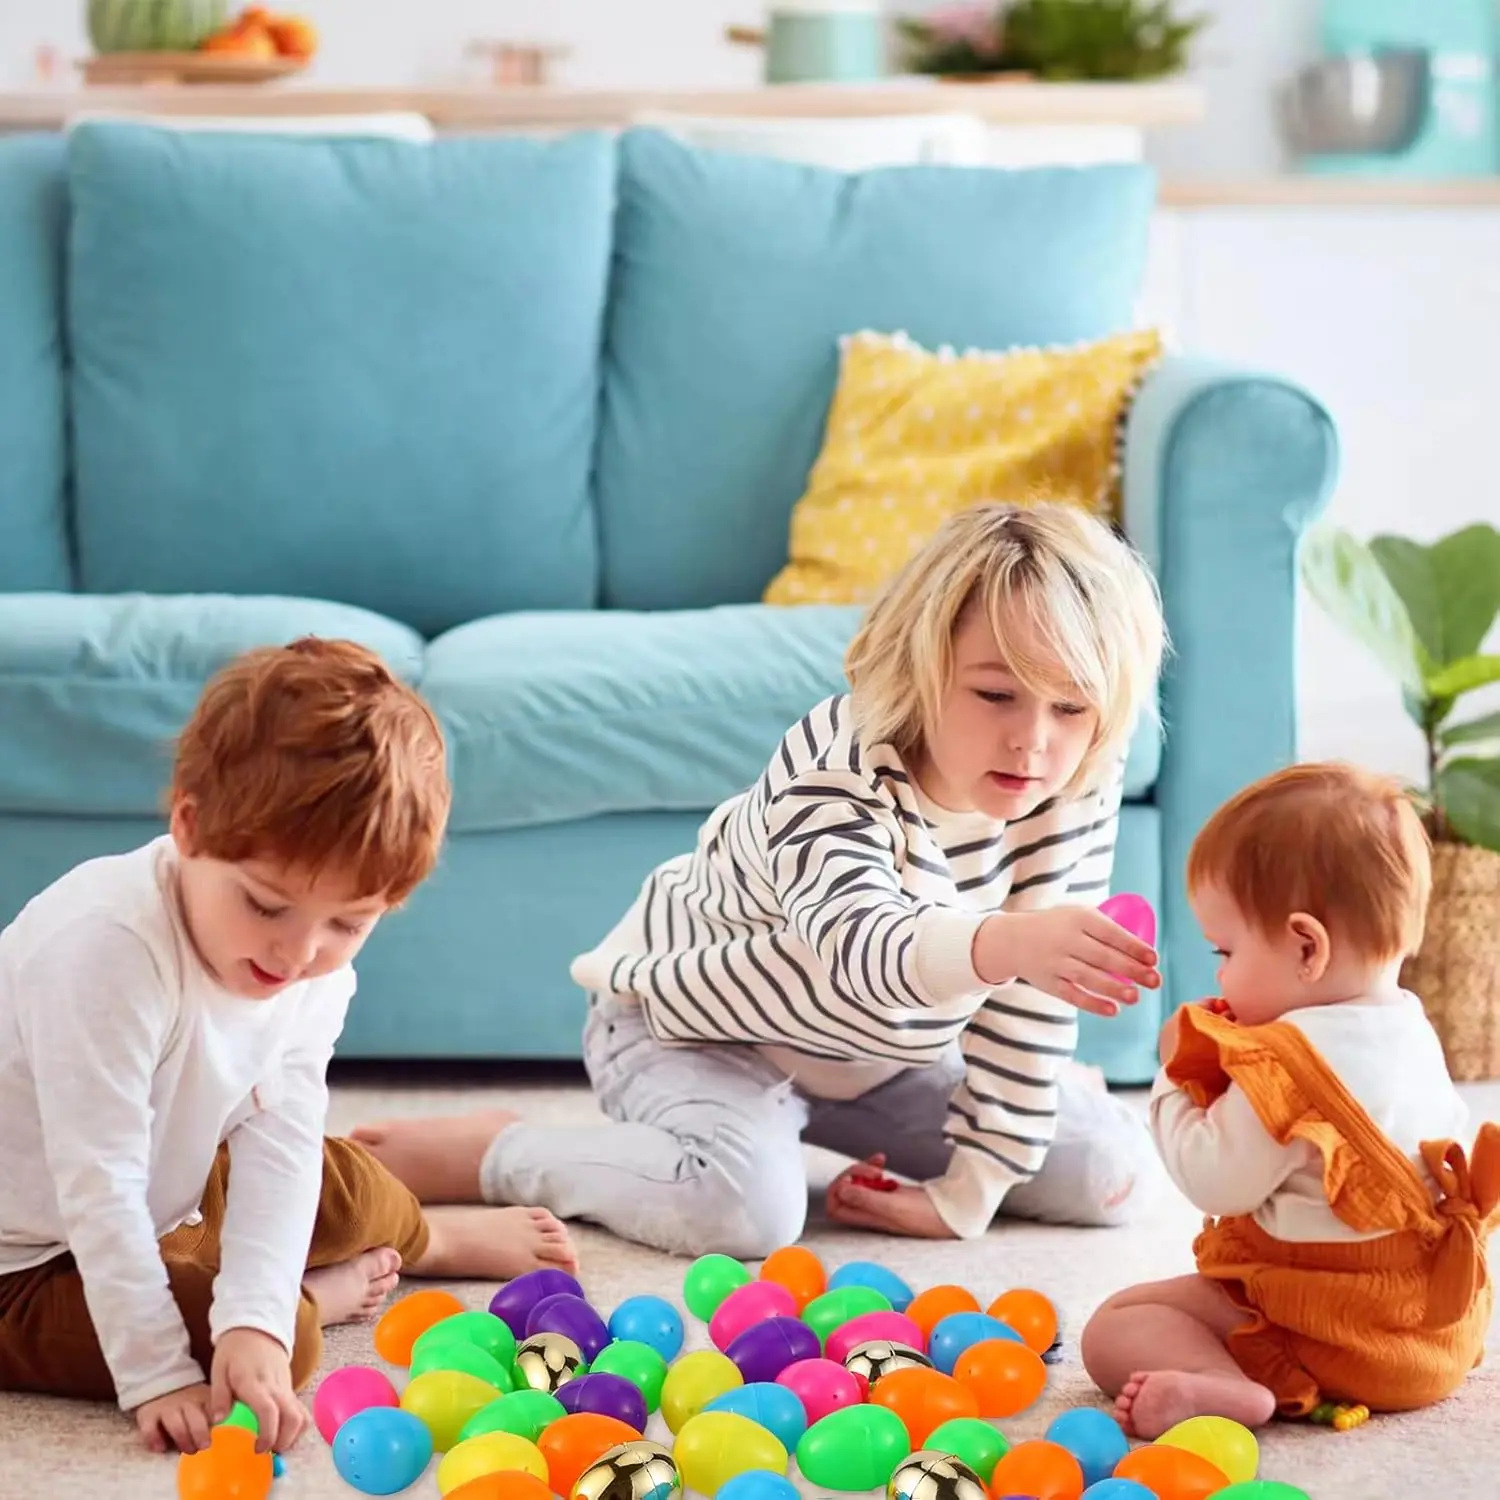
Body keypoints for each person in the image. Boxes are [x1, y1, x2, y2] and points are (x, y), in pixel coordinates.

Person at [357, 501, 1169, 1253]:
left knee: (1110, 1170)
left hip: (882, 1059)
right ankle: (503, 1152)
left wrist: (972, 1188)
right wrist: (1014, 944)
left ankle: (794, 1132)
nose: (1033, 740)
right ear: (922, 667)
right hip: (696, 1027)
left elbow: (1033, 993)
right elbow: (864, 951)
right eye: (995, 694)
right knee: (745, 1214)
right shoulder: (837, 766)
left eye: (1071, 706)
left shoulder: (1073, 775)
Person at [0, 638, 576, 1458]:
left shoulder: (310, 969)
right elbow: (101, 1188)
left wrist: (254, 1313)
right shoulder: (106, 948)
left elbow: (282, 1141)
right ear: (189, 827)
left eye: (348, 922)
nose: (299, 954)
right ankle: (320, 1295)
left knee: (347, 1187)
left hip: (169, 1198)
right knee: (275, 1352)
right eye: (267, 907)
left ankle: (427, 1240)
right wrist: (168, 1367)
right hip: (24, 1261)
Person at [1081, 763, 1500, 1440]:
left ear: (1307, 947)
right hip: (1430, 1339)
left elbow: (1216, 1179)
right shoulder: (1410, 1024)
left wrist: (1175, 1077)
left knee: (1116, 1325)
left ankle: (1226, 1384)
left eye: (1225, 950)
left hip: (1332, 1336)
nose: (1219, 973)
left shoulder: (1286, 1062)